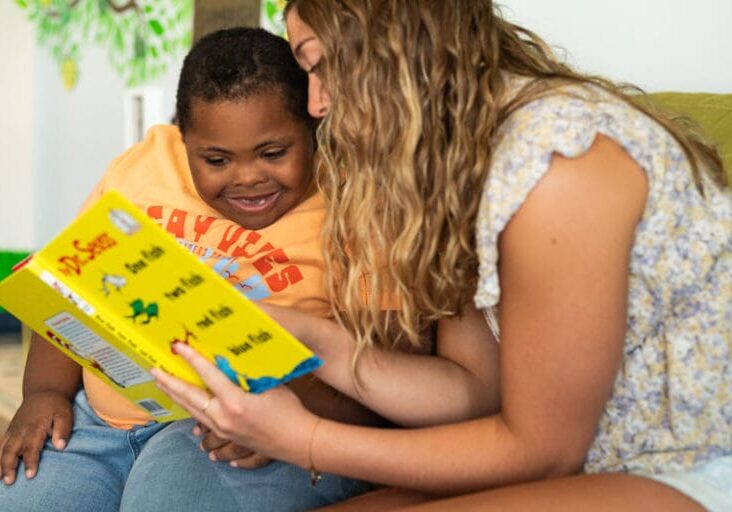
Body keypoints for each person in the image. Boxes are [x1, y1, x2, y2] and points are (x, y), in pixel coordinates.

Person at [152, 1, 732, 511]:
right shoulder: (455, 160)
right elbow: (470, 389)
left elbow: (543, 450)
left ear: (391, 45)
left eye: (320, 64)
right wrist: (315, 339)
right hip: (601, 462)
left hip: (697, 464)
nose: (318, 103)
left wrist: (301, 439)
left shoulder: (557, 158)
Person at [0, 25, 500, 512]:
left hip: (250, 433)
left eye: (273, 153)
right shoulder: (146, 164)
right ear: (184, 139)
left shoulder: (356, 199)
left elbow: (383, 383)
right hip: (102, 421)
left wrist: (285, 422)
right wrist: (44, 393)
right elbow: (71, 286)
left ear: (313, 127)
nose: (248, 179)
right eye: (216, 159)